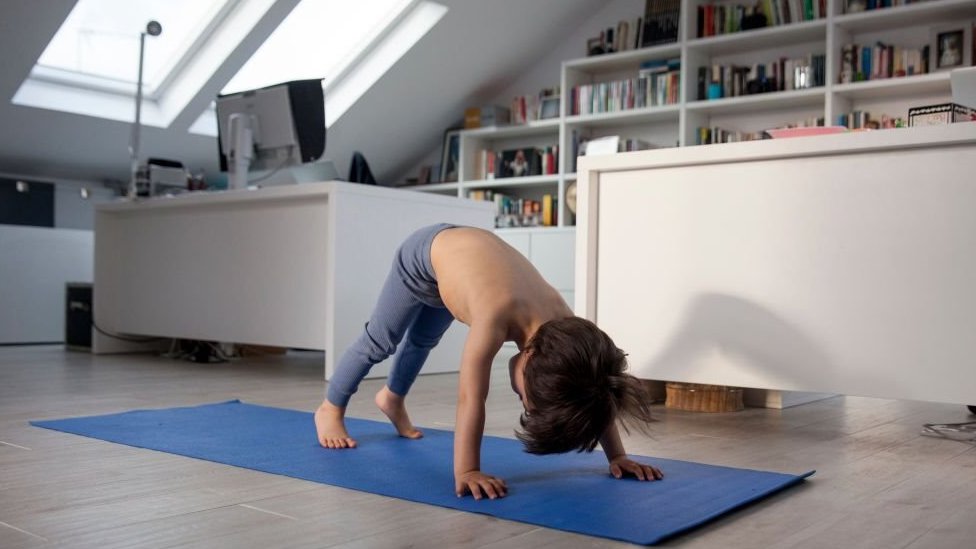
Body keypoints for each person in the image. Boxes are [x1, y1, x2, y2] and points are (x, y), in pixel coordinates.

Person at [314, 223, 663, 499]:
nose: (521, 400)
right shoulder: (494, 317)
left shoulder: (567, 333)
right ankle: (330, 408)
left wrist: (616, 456)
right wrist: (467, 470)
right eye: (525, 399)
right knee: (381, 340)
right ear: (530, 359)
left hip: (465, 260)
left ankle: (391, 398)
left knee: (422, 340)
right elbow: (471, 398)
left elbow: (594, 385)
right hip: (424, 255)